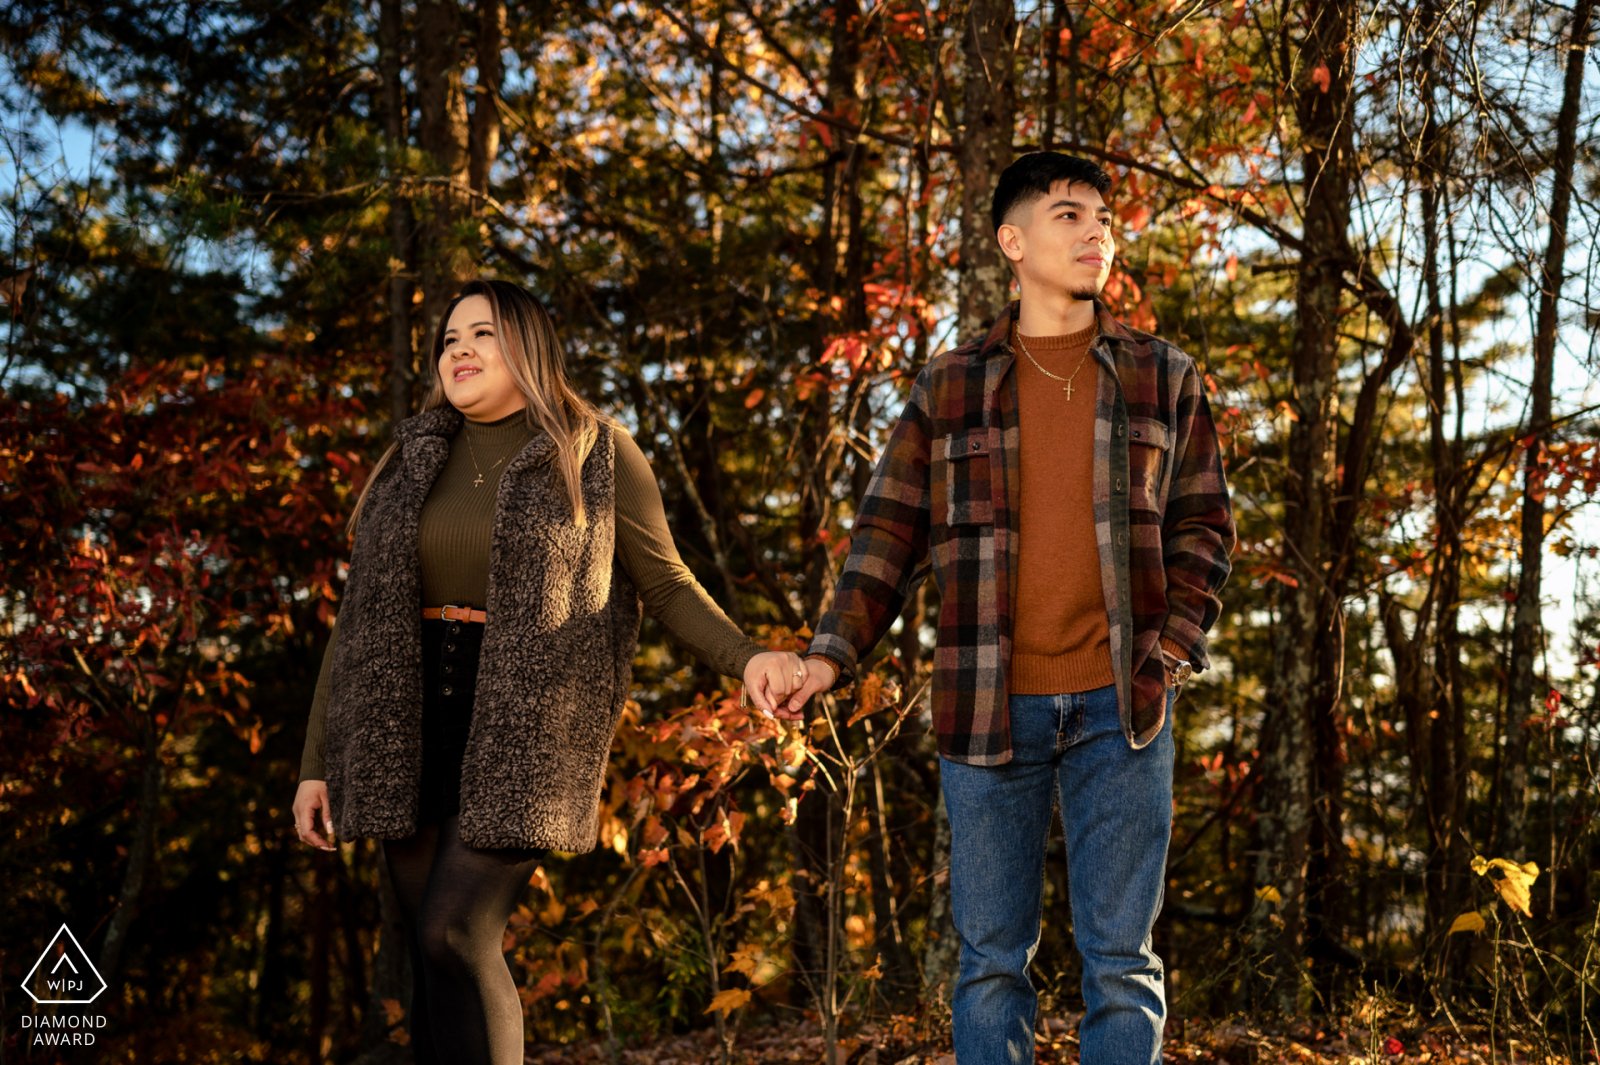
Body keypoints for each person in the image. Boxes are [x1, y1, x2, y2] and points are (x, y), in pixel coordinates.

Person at [780, 153, 1236, 1065]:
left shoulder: (1162, 374)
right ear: (1012, 242)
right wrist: (829, 654)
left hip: (1125, 707)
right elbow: (886, 535)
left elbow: (1204, 530)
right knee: (990, 964)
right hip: (986, 705)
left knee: (1123, 962)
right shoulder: (950, 386)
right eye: (1069, 214)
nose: (1096, 232)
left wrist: (1169, 655)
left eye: (1103, 217)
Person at [290, 278, 804, 1065]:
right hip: (404, 719)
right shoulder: (411, 456)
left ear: (528, 348)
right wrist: (317, 763)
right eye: (450, 339)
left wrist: (749, 656)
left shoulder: (594, 451)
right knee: (428, 948)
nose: (460, 350)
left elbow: (666, 582)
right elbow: (356, 620)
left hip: (525, 724)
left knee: (457, 931)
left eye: (483, 334)